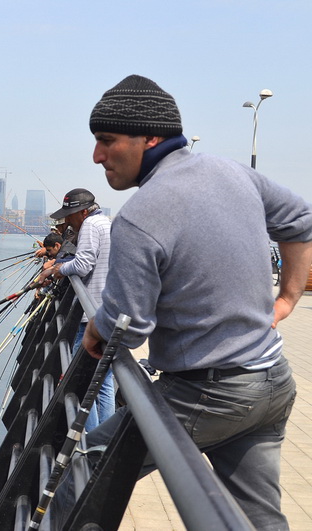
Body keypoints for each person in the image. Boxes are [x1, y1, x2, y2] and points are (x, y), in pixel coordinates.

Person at [80, 74, 312, 529]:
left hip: (209, 391)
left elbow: (129, 326)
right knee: (258, 518)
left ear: (150, 137)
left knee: (82, 469)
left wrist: (96, 325)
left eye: (107, 140)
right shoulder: (231, 172)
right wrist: (287, 297)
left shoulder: (140, 217)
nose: (97, 156)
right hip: (272, 380)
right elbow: (300, 219)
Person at [41, 188, 113, 430]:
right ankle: (103, 438)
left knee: (79, 381)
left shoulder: (91, 225)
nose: (67, 221)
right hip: (106, 311)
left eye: (70, 215)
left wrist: (55, 270)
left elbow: (83, 264)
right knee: (103, 383)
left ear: (82, 212)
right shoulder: (106, 223)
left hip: (90, 316)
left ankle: (89, 438)